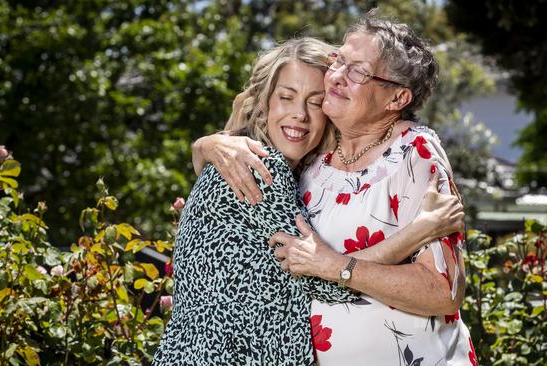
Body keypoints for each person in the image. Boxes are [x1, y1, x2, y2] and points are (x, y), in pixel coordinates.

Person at [154, 37, 464, 366]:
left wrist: (206, 144)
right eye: (286, 97)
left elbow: (320, 268)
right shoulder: (259, 168)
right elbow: (326, 281)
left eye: (315, 102)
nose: (299, 114)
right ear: (266, 103)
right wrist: (418, 231)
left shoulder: (297, 169)